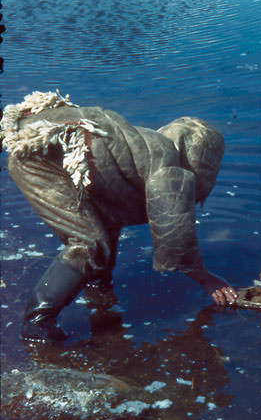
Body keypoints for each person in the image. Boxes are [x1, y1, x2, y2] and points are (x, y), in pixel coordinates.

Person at [1, 90, 237, 342]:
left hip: (41, 145)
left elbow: (110, 216)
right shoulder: (167, 167)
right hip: (37, 153)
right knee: (88, 243)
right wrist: (206, 279)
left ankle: (97, 286)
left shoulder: (145, 149)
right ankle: (37, 324)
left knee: (101, 226)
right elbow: (174, 234)